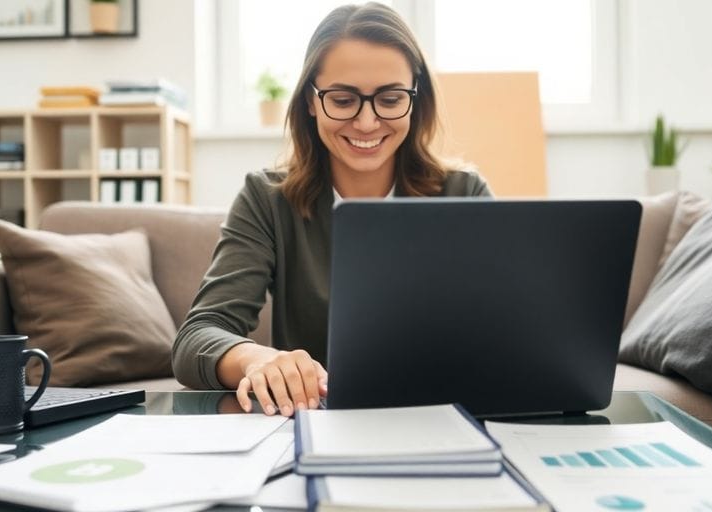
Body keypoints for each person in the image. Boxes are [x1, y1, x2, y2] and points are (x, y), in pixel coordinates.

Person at [172, 2, 492, 416]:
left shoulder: (463, 193)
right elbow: (196, 337)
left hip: (444, 419)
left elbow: (502, 332)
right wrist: (258, 359)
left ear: (416, 99)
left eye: (390, 99)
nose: (366, 122)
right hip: (316, 423)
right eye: (342, 100)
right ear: (310, 101)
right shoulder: (267, 199)